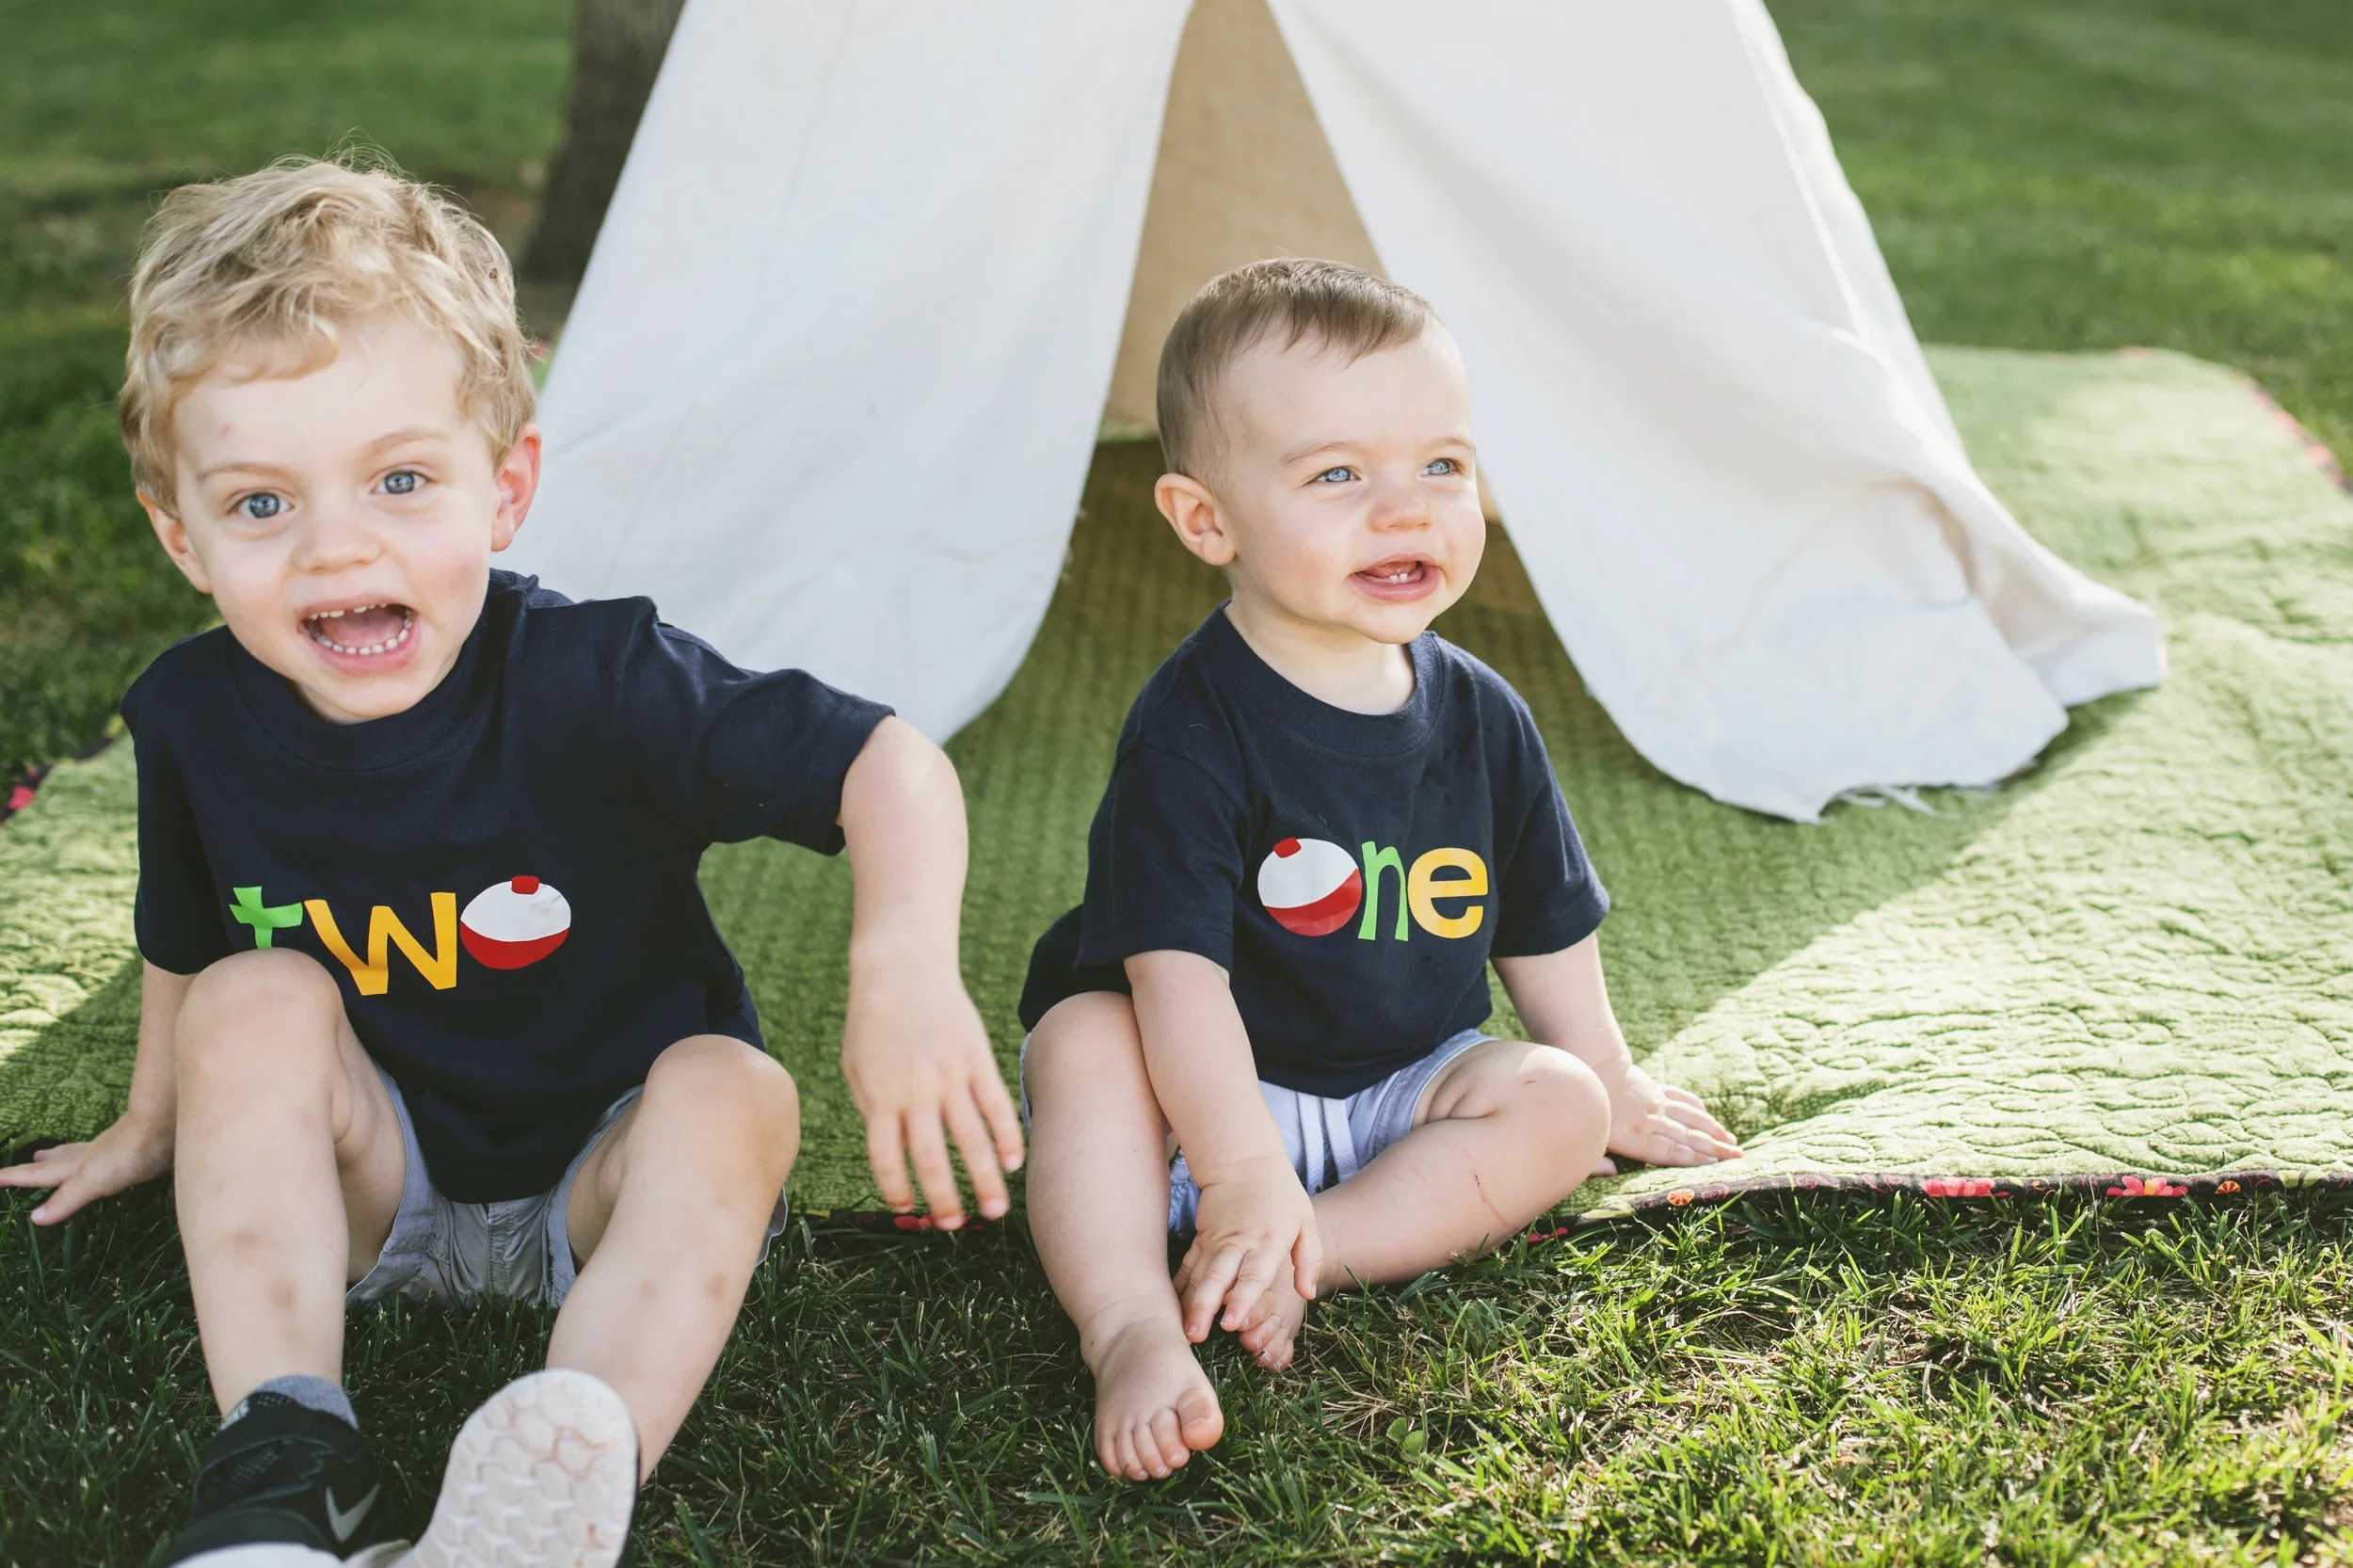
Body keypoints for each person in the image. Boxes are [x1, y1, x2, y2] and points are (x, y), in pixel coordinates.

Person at [0, 157, 1022, 1567]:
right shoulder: (190, 714)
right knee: (251, 996)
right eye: (260, 505)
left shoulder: (601, 677)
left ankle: (561, 1466)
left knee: (735, 1088)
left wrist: (902, 967)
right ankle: (289, 1459)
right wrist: (150, 1118)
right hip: (372, 1189)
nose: (336, 546)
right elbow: (184, 935)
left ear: (507, 487)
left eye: (400, 480)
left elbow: (887, 763)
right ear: (182, 536)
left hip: (610, 1185)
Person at [1016, 259, 1742, 1483]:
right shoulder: (1191, 733)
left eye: (1442, 466)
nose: (1407, 511)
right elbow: (1178, 982)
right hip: (1193, 1109)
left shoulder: (1483, 715)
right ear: (1207, 521)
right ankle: (1132, 1318)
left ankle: (1312, 1247)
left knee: (1558, 1101)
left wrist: (1613, 1078)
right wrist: (1239, 1167)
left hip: (1396, 1087)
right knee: (1083, 1043)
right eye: (1339, 476)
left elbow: (1542, 918)